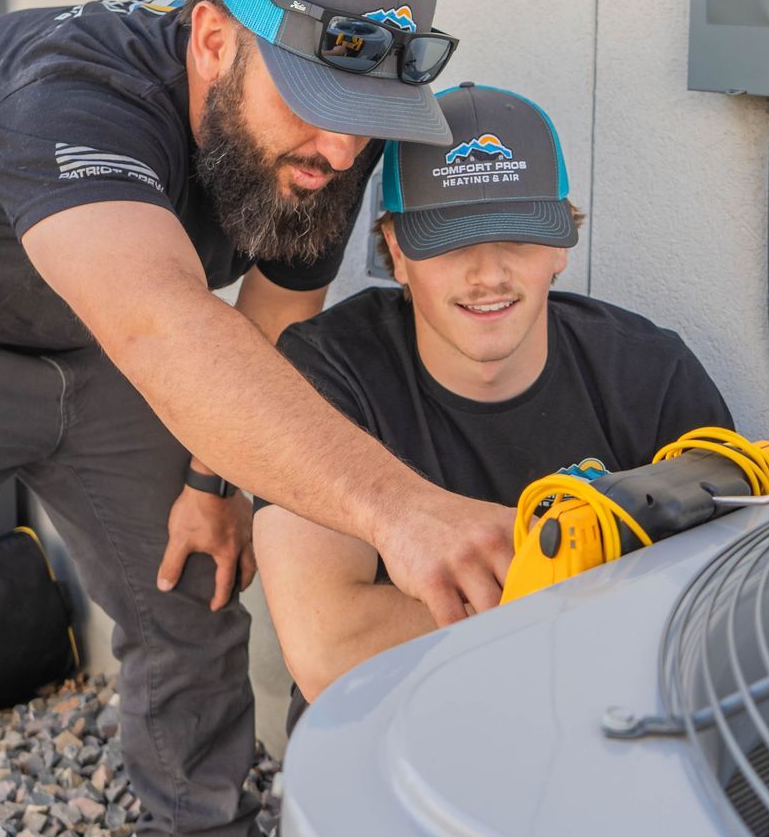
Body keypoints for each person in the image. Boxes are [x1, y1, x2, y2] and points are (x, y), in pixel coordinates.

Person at [0, 0, 513, 837]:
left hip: (90, 332)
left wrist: (217, 481)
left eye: (367, 115)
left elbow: (276, 308)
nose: (340, 147)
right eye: (316, 106)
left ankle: (200, 822)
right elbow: (161, 327)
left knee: (194, 589)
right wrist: (403, 509)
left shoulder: (344, 119)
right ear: (212, 40)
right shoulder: (66, 94)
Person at [253, 83, 734, 721]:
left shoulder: (650, 372)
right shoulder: (325, 372)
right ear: (396, 252)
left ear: (560, 245)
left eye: (518, 235)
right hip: (395, 726)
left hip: (598, 724)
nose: (488, 273)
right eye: (452, 242)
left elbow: (722, 599)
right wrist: (582, 588)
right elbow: (329, 646)